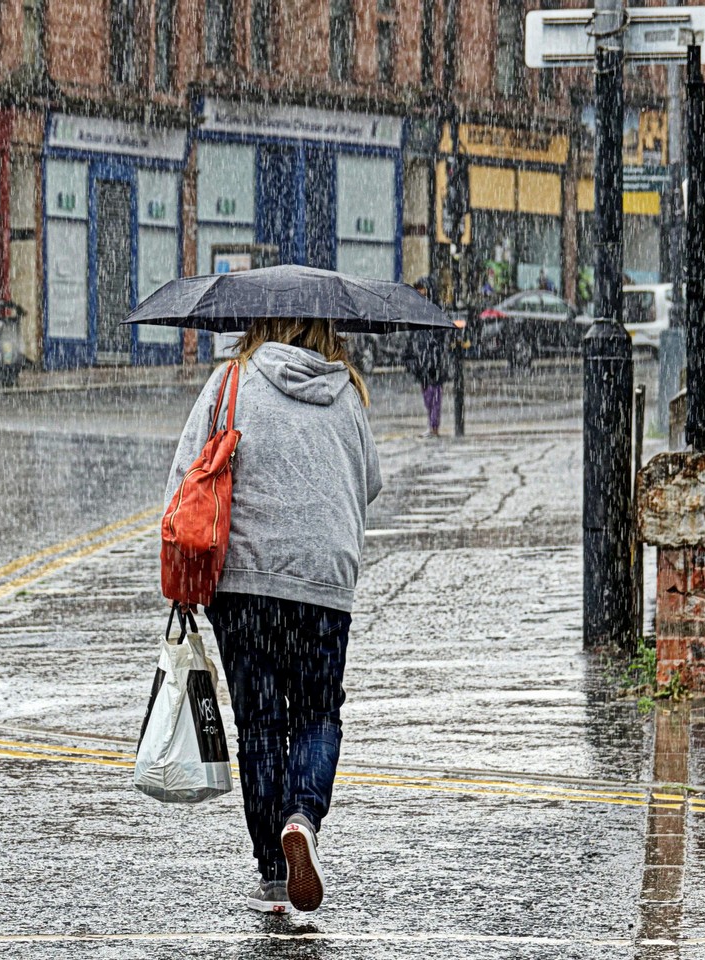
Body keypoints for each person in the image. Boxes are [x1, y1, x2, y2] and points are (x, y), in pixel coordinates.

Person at [163, 318, 382, 915]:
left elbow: (184, 480)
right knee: (316, 713)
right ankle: (302, 817)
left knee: (260, 725)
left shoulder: (230, 382)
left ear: (259, 321)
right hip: (324, 583)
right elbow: (370, 485)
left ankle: (272, 875)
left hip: (246, 582)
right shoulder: (348, 393)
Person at [405, 276, 451, 438]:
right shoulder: (416, 310)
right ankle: (431, 425)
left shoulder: (435, 310)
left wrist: (435, 355)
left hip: (434, 362)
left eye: (422, 289)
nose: (420, 292)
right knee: (427, 396)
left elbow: (442, 336)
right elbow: (413, 337)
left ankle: (434, 427)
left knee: (434, 396)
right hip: (421, 361)